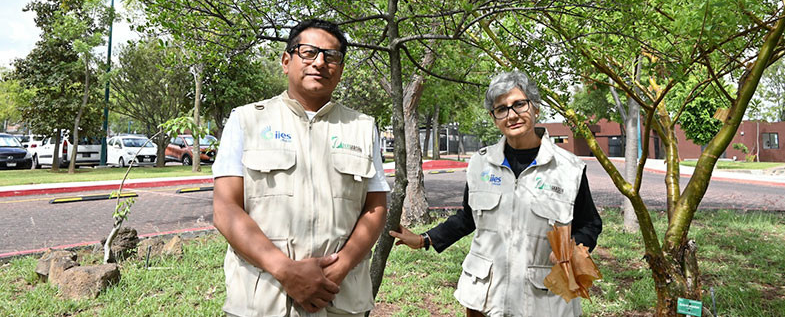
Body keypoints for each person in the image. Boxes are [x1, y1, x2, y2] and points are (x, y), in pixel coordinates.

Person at [212, 19, 389, 317]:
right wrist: (285, 270)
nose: (320, 62)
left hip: (340, 299)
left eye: (331, 56)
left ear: (341, 69)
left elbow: (376, 208)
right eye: (308, 52)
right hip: (262, 301)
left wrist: (340, 267)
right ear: (286, 61)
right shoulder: (247, 121)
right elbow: (225, 209)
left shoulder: (362, 127)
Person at [390, 71, 602, 317]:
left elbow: (590, 224)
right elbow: (468, 218)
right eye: (501, 109)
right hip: (485, 297)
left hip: (543, 299)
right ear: (494, 118)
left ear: (536, 108)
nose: (512, 115)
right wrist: (425, 239)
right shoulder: (481, 163)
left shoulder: (568, 168)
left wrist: (573, 248)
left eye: (519, 104)